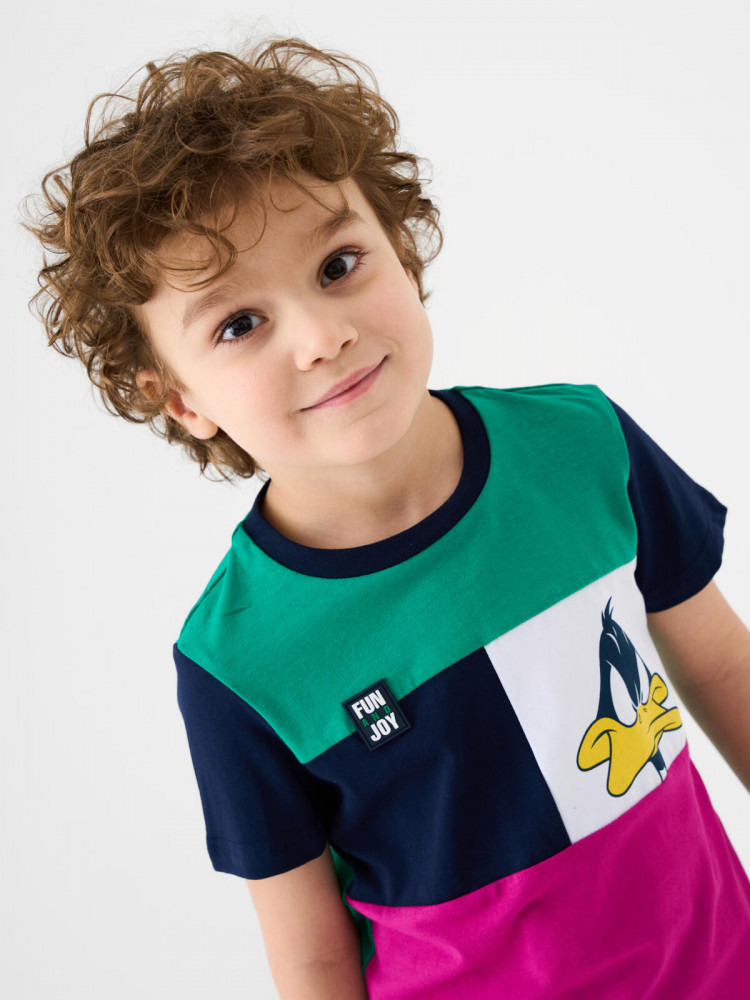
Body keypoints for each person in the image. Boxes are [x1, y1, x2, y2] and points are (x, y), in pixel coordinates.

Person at [27, 37, 750, 1000]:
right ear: (181, 399)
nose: (323, 337)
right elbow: (312, 957)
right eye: (239, 324)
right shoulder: (237, 663)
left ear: (401, 250)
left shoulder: (584, 446)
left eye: (338, 264)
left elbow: (725, 668)